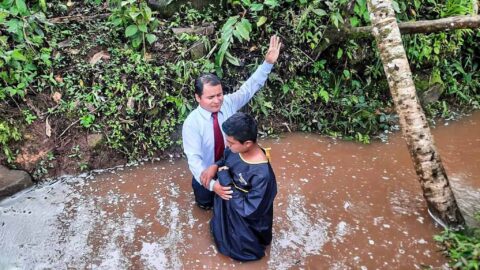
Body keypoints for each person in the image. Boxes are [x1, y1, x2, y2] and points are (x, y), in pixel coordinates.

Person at [182, 35, 281, 210]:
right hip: (206, 177)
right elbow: (194, 161)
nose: (217, 100)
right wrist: (213, 186)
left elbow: (249, 88)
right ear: (198, 98)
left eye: (219, 94)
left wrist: (267, 64)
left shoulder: (228, 102)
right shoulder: (192, 123)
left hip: (231, 169)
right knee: (205, 207)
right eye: (210, 97)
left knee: (232, 210)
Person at [207, 112, 277, 261]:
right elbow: (224, 160)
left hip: (245, 217)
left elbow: (250, 210)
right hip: (230, 199)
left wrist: (227, 183)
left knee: (244, 252)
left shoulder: (262, 175)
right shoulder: (235, 150)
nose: (227, 145)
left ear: (248, 144)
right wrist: (215, 165)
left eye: (231, 143)